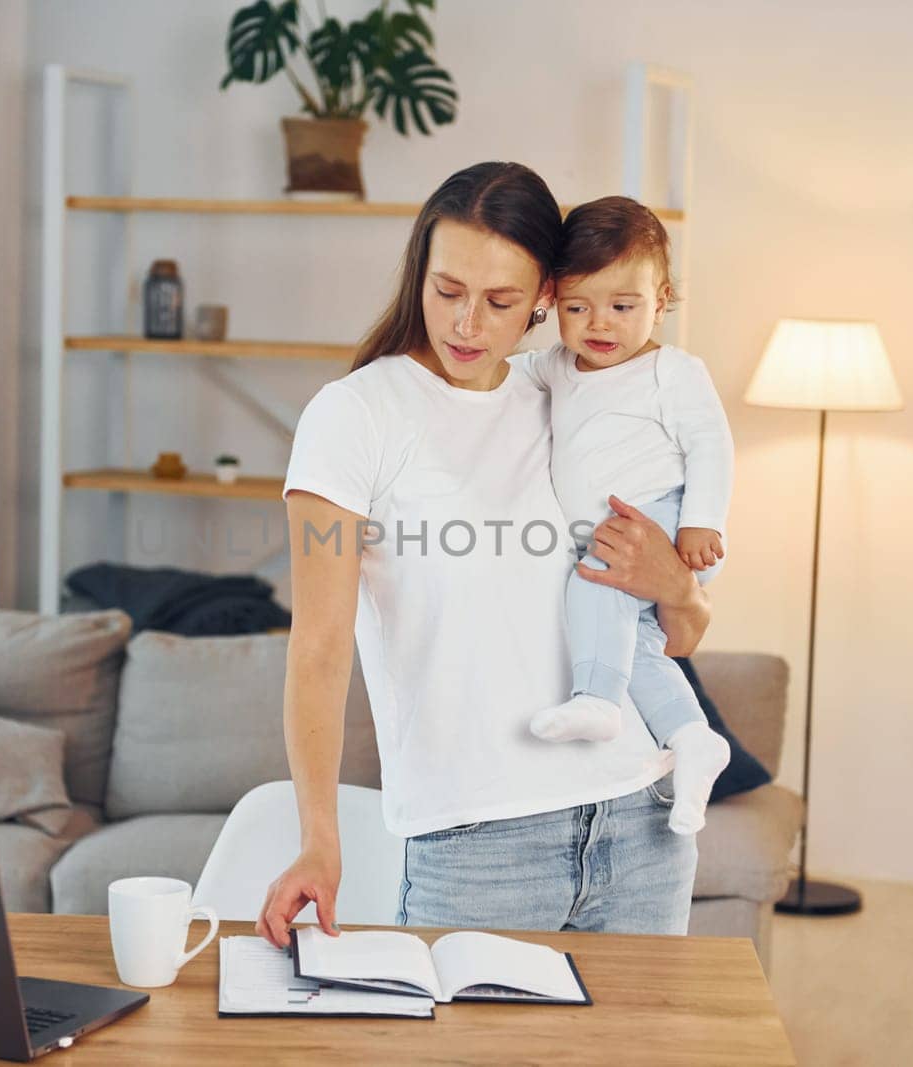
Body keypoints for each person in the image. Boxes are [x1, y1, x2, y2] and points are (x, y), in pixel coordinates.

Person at [255, 162, 711, 950]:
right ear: (418, 276)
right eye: (447, 290)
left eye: (500, 301)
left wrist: (679, 586)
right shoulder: (356, 416)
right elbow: (319, 648)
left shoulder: (571, 397)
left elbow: (677, 634)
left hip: (642, 819)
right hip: (476, 842)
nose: (468, 323)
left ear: (544, 296)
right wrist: (319, 838)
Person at [524, 196, 735, 836]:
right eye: (576, 307)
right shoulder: (556, 366)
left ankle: (597, 700)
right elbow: (498, 375)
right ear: (552, 302)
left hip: (660, 521)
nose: (599, 324)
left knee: (593, 582)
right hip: (610, 532)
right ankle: (693, 738)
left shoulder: (672, 371)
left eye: (623, 306)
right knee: (638, 647)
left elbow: (712, 445)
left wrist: (702, 522)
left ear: (662, 299)